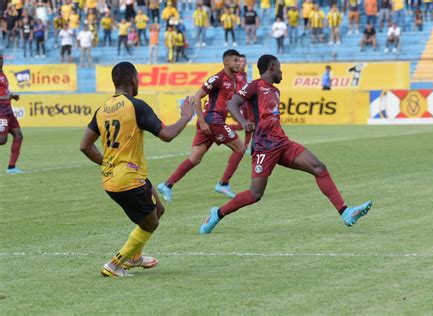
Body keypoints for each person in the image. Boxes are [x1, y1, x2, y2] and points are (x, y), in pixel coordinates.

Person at [199, 55, 373, 234]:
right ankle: (217, 213)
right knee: (255, 194)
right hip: (264, 148)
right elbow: (232, 103)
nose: (282, 72)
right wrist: (243, 122)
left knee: (318, 167)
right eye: (280, 67)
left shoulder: (275, 91)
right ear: (272, 67)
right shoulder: (254, 86)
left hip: (282, 143)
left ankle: (346, 213)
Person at [79, 61, 194, 277]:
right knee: (150, 222)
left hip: (117, 177)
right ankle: (114, 264)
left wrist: (107, 162)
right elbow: (166, 135)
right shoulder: (136, 106)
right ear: (133, 79)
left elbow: (84, 145)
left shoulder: (102, 109)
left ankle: (134, 257)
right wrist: (186, 117)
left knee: (158, 210)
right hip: (127, 179)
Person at [157, 49, 246, 202]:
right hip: (212, 120)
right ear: (226, 62)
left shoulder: (233, 80)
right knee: (240, 148)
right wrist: (203, 121)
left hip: (213, 121)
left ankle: (167, 184)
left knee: (195, 158)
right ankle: (223, 184)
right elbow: (197, 96)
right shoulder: (217, 78)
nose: (239, 63)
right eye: (235, 61)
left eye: (240, 61)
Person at [0, 54, 23, 174]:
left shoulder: (3, 75)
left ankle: (12, 167)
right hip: (0, 111)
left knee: (18, 135)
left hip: (8, 110)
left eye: (2, 59)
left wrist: (11, 96)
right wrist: (7, 96)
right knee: (2, 140)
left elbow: (3, 92)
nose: (1, 62)